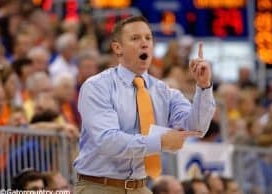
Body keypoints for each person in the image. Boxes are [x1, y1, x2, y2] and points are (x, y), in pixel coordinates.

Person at [74, 16, 215, 194]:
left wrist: (204, 87)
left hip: (140, 186)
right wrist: (159, 142)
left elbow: (197, 128)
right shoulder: (97, 86)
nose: (144, 43)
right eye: (135, 38)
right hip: (98, 186)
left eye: (148, 38)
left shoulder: (164, 91)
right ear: (118, 48)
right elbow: (107, 141)